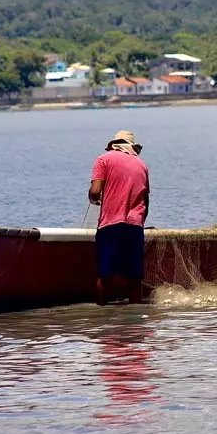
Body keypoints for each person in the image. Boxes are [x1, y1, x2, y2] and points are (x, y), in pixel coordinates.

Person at [89, 130, 150, 305]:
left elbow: (95, 192)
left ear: (113, 145)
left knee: (105, 276)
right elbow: (146, 202)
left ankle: (102, 315)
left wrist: (94, 198)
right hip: (135, 226)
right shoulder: (141, 164)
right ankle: (136, 320)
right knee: (134, 278)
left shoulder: (103, 159)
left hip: (110, 225)